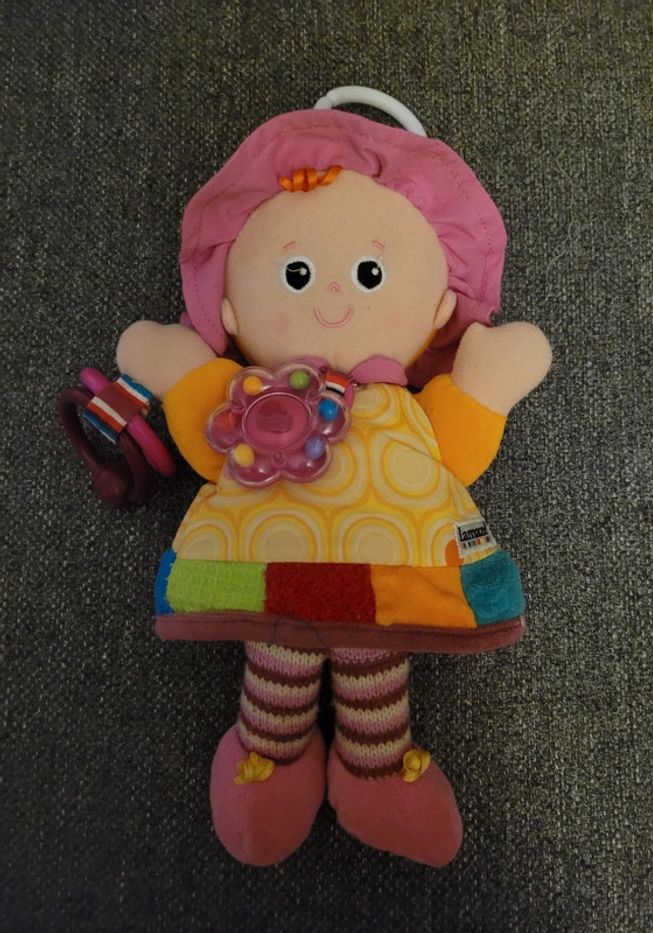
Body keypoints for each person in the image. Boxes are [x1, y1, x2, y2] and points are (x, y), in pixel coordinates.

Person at [117, 104, 551, 867]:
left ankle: (373, 764)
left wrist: (482, 384)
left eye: (370, 275)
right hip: (274, 567)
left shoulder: (407, 405)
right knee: (282, 651)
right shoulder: (253, 399)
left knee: (368, 648)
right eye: (296, 275)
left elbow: (454, 446)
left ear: (441, 306)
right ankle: (273, 754)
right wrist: (183, 372)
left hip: (377, 571)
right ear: (228, 307)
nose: (332, 300)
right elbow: (212, 441)